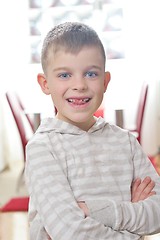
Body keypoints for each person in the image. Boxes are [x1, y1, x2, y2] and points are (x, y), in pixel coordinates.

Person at [25, 22, 160, 240]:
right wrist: (133, 221)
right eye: (64, 75)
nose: (79, 85)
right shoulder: (42, 148)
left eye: (90, 74)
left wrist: (93, 211)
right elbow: (70, 231)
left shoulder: (125, 142)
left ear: (105, 81)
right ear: (44, 83)